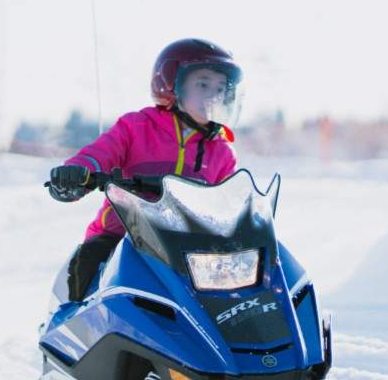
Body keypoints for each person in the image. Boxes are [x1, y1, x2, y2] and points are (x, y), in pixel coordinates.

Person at [49, 38, 244, 302]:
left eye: (221, 88)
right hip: (122, 235)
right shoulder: (137, 126)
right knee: (90, 260)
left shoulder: (221, 151)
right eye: (203, 84)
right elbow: (99, 153)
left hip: (188, 248)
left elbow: (230, 203)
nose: (214, 95)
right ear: (171, 85)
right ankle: (76, 319)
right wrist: (77, 173)